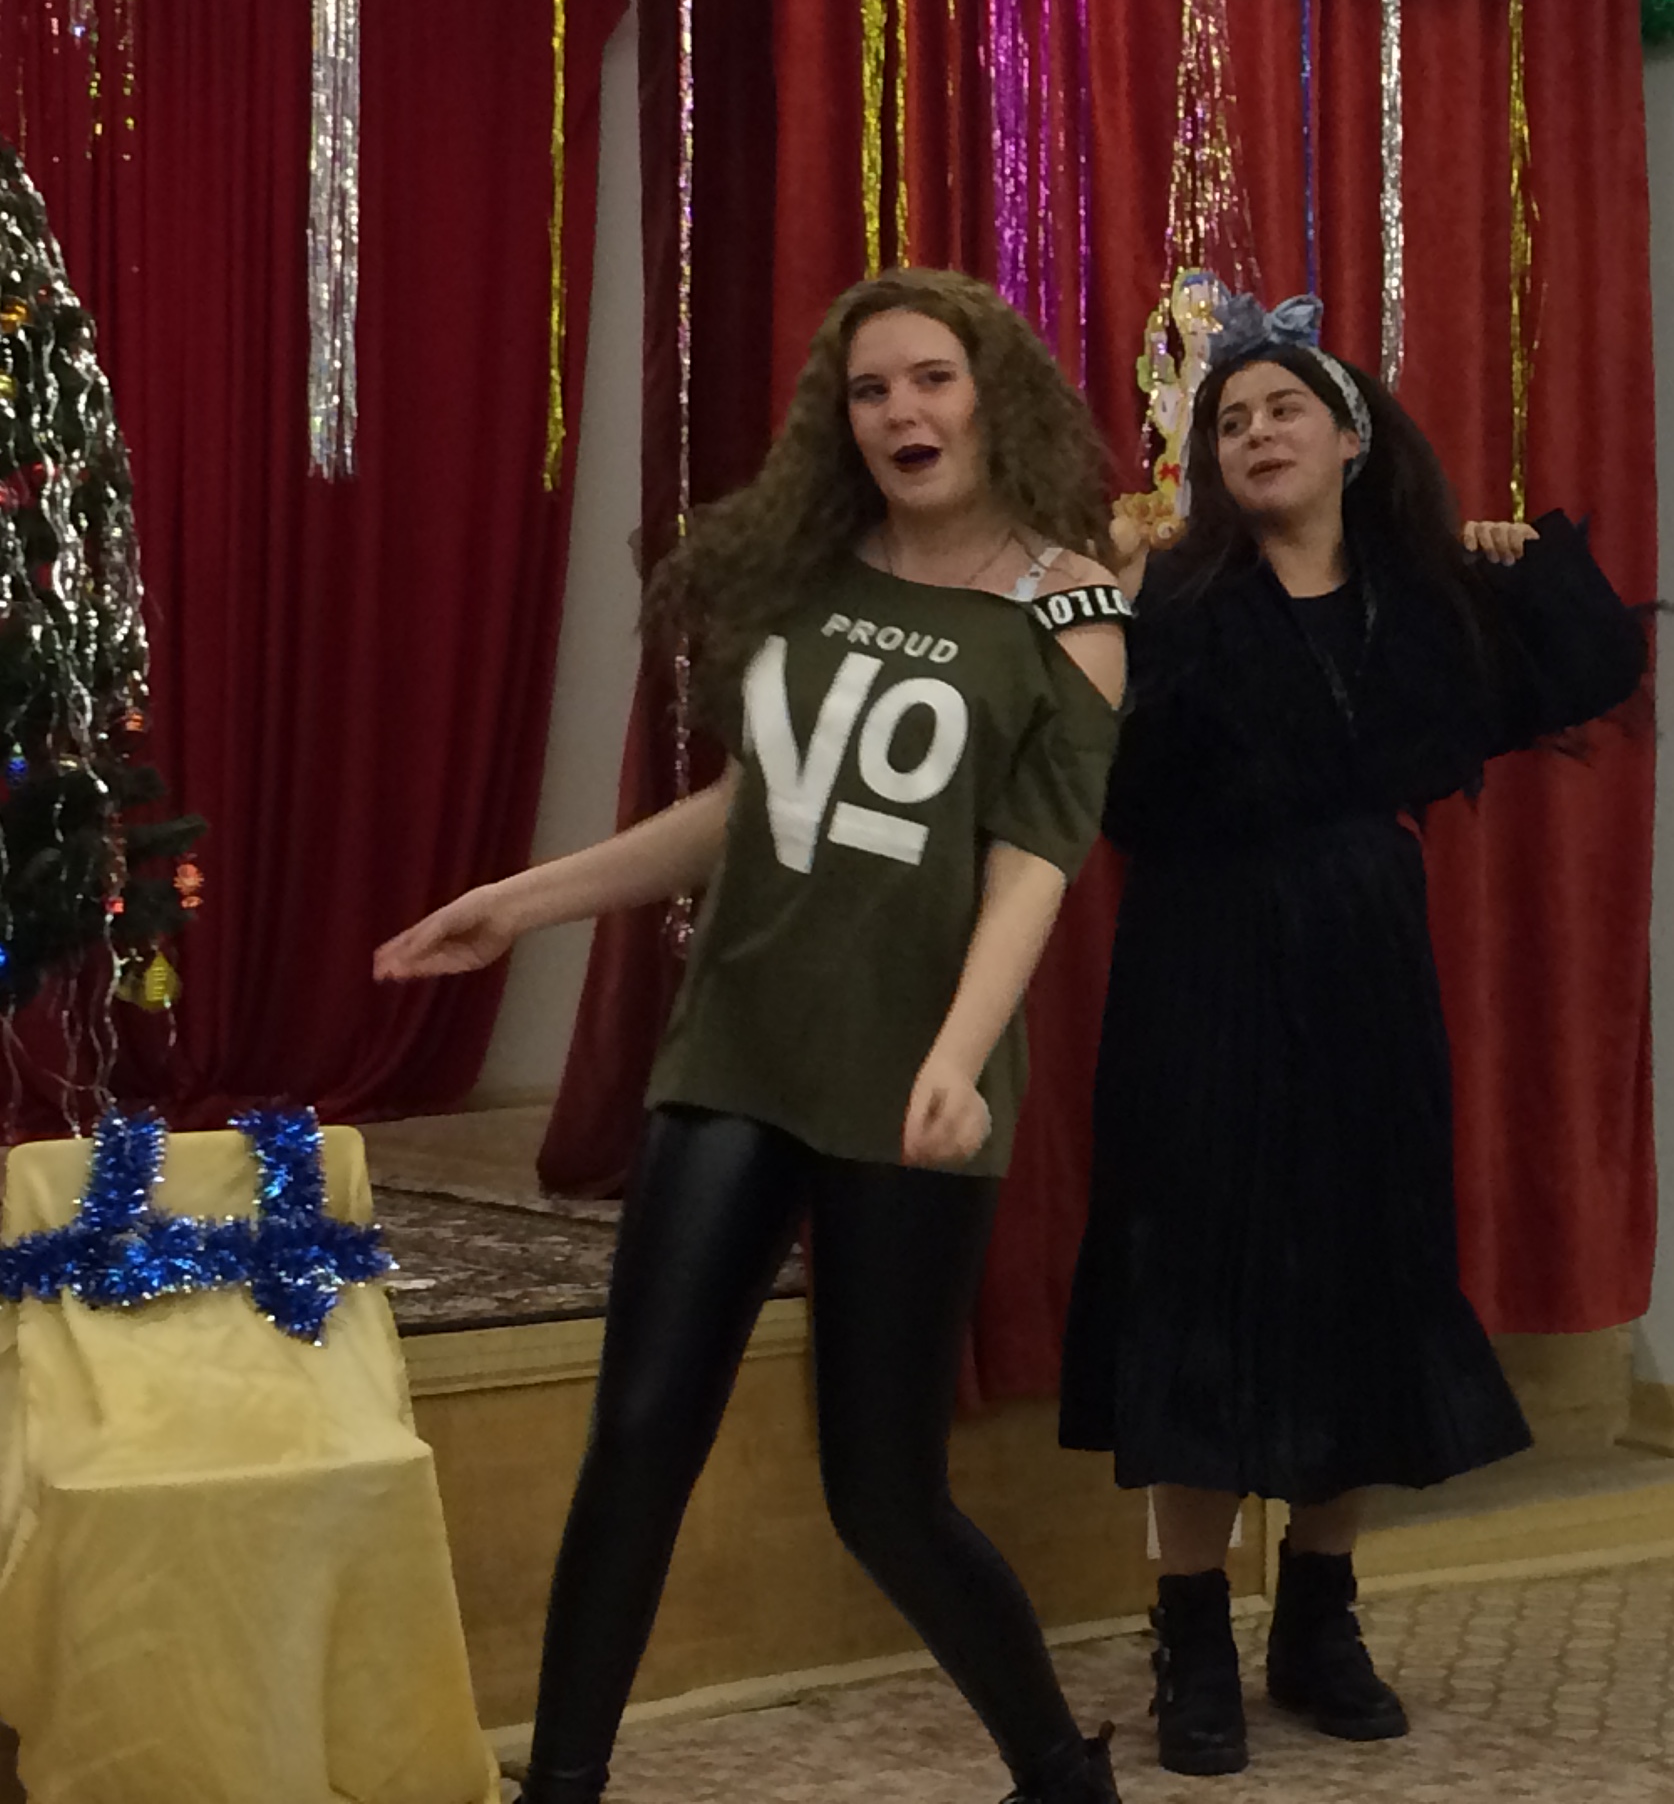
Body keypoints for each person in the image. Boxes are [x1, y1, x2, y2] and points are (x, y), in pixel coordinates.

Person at [377, 269, 1133, 1804]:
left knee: (885, 1499)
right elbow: (741, 811)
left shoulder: (1072, 611)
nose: (903, 410)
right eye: (871, 390)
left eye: (931, 378)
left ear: (992, 393)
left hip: (913, 1082)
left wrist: (956, 1054)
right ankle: (562, 1789)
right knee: (639, 1434)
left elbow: (1034, 862)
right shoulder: (811, 576)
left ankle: (1061, 1774)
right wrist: (521, 903)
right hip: (736, 1052)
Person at [1060, 292, 1646, 1781]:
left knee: (1359, 1277)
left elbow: (1588, 667)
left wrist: (1519, 560)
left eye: (1284, 410)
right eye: (1230, 420)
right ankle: (1192, 1631)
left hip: (1364, 970)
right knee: (1195, 1282)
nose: (1256, 433)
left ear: (1351, 438)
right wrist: (1110, 604)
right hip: (1197, 961)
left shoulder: (1425, 597)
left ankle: (1318, 1620)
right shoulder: (1171, 595)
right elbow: (1097, 775)